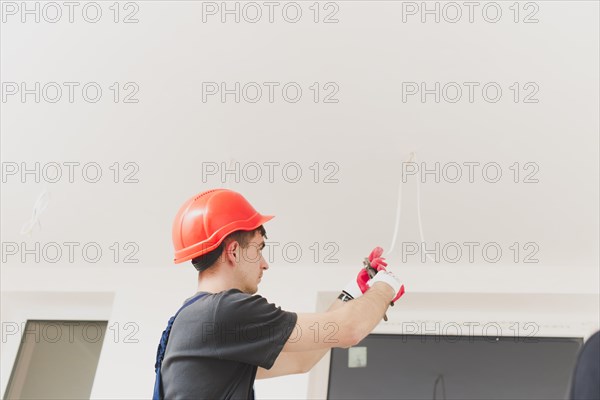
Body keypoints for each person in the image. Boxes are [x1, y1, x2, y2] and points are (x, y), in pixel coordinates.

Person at [153, 188, 405, 399]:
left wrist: (351, 292)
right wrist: (386, 286)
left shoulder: (195, 320)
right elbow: (350, 329)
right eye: (258, 248)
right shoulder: (227, 311)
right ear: (233, 252)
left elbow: (301, 361)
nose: (264, 263)